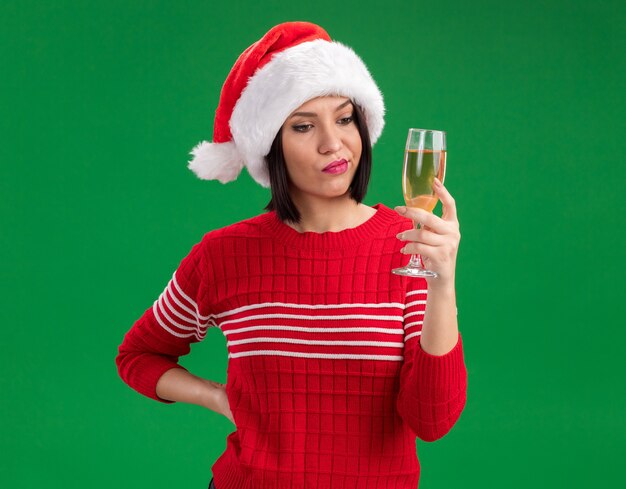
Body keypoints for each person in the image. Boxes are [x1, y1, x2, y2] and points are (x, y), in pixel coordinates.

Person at [116, 21, 467, 489]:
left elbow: (432, 421)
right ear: (270, 145)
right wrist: (216, 397)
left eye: (344, 119)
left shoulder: (409, 246)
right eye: (303, 126)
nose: (332, 143)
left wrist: (443, 283)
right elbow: (138, 355)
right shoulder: (224, 254)